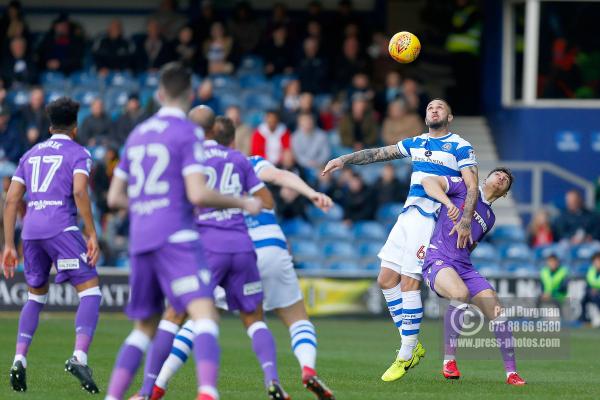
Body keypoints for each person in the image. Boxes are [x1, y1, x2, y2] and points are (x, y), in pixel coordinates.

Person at [104, 62, 261, 400]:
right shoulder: (187, 133)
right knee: (205, 315)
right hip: (177, 236)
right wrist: (242, 202)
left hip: (141, 238)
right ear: (189, 95)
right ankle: (207, 392)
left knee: (144, 328)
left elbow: (114, 197)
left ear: (159, 94)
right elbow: (198, 194)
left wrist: (148, 203)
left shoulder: (137, 134)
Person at [150, 117, 336, 400]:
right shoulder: (249, 162)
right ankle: (307, 369)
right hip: (271, 247)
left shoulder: (197, 167)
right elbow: (281, 177)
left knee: (195, 319)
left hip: (230, 249)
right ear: (235, 141)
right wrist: (312, 193)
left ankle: (157, 385)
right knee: (297, 318)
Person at [322, 98, 479, 382]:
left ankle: (406, 354)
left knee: (409, 281)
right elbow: (379, 153)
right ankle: (412, 344)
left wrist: (466, 220)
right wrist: (343, 160)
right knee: (385, 279)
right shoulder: (416, 142)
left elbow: (472, 185)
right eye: (430, 107)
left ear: (450, 116)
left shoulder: (460, 145)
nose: (434, 110)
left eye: (440, 107)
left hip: (430, 217)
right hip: (407, 215)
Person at [3, 97, 102, 393]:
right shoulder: (79, 152)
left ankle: (19, 359)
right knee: (91, 290)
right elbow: (81, 191)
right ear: (75, 127)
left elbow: (10, 199)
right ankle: (79, 356)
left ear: (49, 127)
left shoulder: (30, 154)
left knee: (35, 297)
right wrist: (92, 233)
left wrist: (8, 244)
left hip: (31, 231)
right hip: (61, 227)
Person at [421, 168, 526, 385]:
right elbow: (428, 181)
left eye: (506, 180)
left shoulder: (490, 217)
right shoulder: (463, 187)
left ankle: (512, 373)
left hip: (464, 265)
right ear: (486, 178)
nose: (502, 178)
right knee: (460, 293)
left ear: (505, 193)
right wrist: (449, 205)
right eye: (498, 174)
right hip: (438, 257)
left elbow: (472, 242)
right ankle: (449, 361)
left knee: (497, 310)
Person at [580, 252, 600, 323]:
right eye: (596, 261)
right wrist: (590, 290)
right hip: (591, 293)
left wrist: (597, 290)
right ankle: (584, 319)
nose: (597, 263)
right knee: (583, 299)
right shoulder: (591, 271)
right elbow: (587, 284)